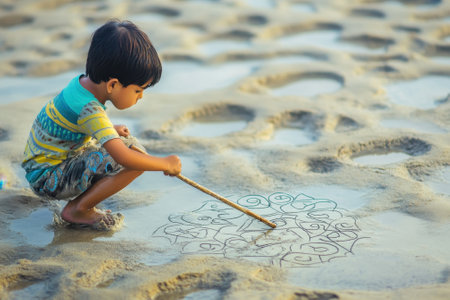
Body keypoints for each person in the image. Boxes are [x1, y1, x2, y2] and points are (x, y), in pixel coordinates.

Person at [21, 20, 181, 230]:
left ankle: (81, 205)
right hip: (48, 179)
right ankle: (78, 208)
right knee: (135, 158)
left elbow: (73, 126)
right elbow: (122, 157)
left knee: (127, 143)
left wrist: (110, 130)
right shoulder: (91, 110)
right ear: (113, 84)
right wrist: (164, 164)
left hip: (41, 167)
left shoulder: (80, 85)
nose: (141, 97)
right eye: (138, 90)